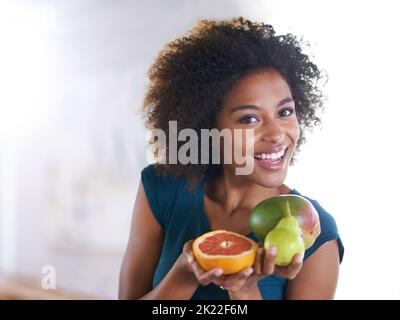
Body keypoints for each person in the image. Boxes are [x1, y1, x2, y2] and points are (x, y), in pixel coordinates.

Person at [119, 17, 344, 300]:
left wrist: (245, 290)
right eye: (249, 118)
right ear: (207, 127)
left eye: (285, 112)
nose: (276, 134)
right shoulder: (161, 188)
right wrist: (185, 272)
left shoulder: (316, 234)